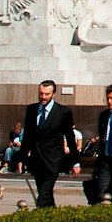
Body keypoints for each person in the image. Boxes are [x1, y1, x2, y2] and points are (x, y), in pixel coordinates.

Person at [17, 79, 77, 209]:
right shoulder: (32, 109)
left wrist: (75, 162)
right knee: (45, 192)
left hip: (53, 160)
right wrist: (22, 158)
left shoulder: (63, 112)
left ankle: (39, 215)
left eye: (47, 94)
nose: (43, 97)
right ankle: (52, 213)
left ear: (53, 94)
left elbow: (70, 138)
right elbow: (27, 136)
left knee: (43, 195)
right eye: (41, 94)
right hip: (36, 160)